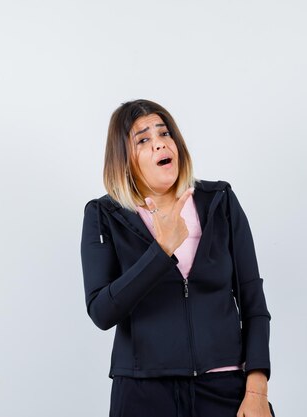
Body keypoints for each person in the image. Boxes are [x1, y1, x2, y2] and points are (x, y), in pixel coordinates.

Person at [80, 99, 275, 417]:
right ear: (123, 159)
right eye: (143, 139)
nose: (159, 144)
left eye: (164, 133)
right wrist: (161, 251)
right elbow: (102, 312)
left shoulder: (219, 201)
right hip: (143, 393)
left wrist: (256, 391)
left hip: (226, 389)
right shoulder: (104, 215)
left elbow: (253, 303)